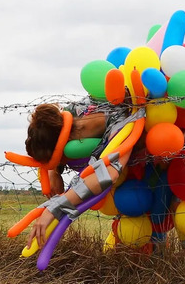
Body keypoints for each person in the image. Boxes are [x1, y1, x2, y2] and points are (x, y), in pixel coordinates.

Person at [24, 99, 144, 248]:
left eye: (63, 158)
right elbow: (52, 132)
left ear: (67, 142)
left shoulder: (124, 121)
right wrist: (53, 170)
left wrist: (54, 208)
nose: (67, 163)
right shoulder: (69, 115)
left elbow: (108, 174)